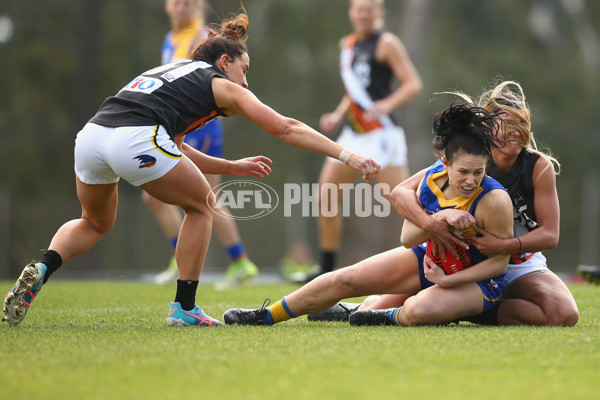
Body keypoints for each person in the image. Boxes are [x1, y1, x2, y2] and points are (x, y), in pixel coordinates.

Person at [2, 12, 380, 327]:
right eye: (243, 70)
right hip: (135, 136)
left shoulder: (176, 71)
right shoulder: (219, 84)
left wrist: (229, 166)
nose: (246, 82)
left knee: (95, 222)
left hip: (92, 136)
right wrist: (348, 156)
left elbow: (176, 148)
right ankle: (184, 308)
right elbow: (285, 127)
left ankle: (42, 267)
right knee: (202, 207)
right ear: (224, 62)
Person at [222, 102, 515, 327]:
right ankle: (265, 316)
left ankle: (383, 315)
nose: (470, 180)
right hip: (430, 261)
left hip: (476, 283)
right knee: (344, 279)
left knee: (421, 309)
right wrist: (439, 219)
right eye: (463, 171)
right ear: (445, 164)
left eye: (479, 172)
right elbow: (407, 238)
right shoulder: (431, 181)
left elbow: (499, 265)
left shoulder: (494, 200)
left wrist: (447, 282)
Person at [329, 81, 580, 326]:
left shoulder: (538, 166)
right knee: (374, 310)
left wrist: (505, 244)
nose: (516, 131)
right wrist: (432, 224)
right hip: (460, 254)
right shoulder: (469, 158)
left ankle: (465, 310)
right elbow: (402, 192)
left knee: (563, 314)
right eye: (508, 124)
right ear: (489, 128)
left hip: (517, 261)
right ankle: (350, 307)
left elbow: (550, 235)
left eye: (522, 123)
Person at [308, 0, 422, 281]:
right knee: (326, 195)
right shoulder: (346, 45)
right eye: (359, 9)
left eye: (370, 9)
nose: (364, 14)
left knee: (400, 201)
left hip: (382, 135)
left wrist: (387, 104)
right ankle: (326, 268)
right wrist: (337, 115)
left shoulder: (387, 43)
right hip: (354, 135)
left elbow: (413, 83)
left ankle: (437, 249)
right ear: (351, 13)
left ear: (379, 13)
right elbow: (354, 92)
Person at [150, 0, 259, 289]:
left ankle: (195, 259)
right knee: (204, 197)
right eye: (177, 2)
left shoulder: (200, 36)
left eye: (188, 3)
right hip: (186, 122)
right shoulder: (171, 38)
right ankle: (238, 261)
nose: (181, 7)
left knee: (198, 197)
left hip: (200, 124)